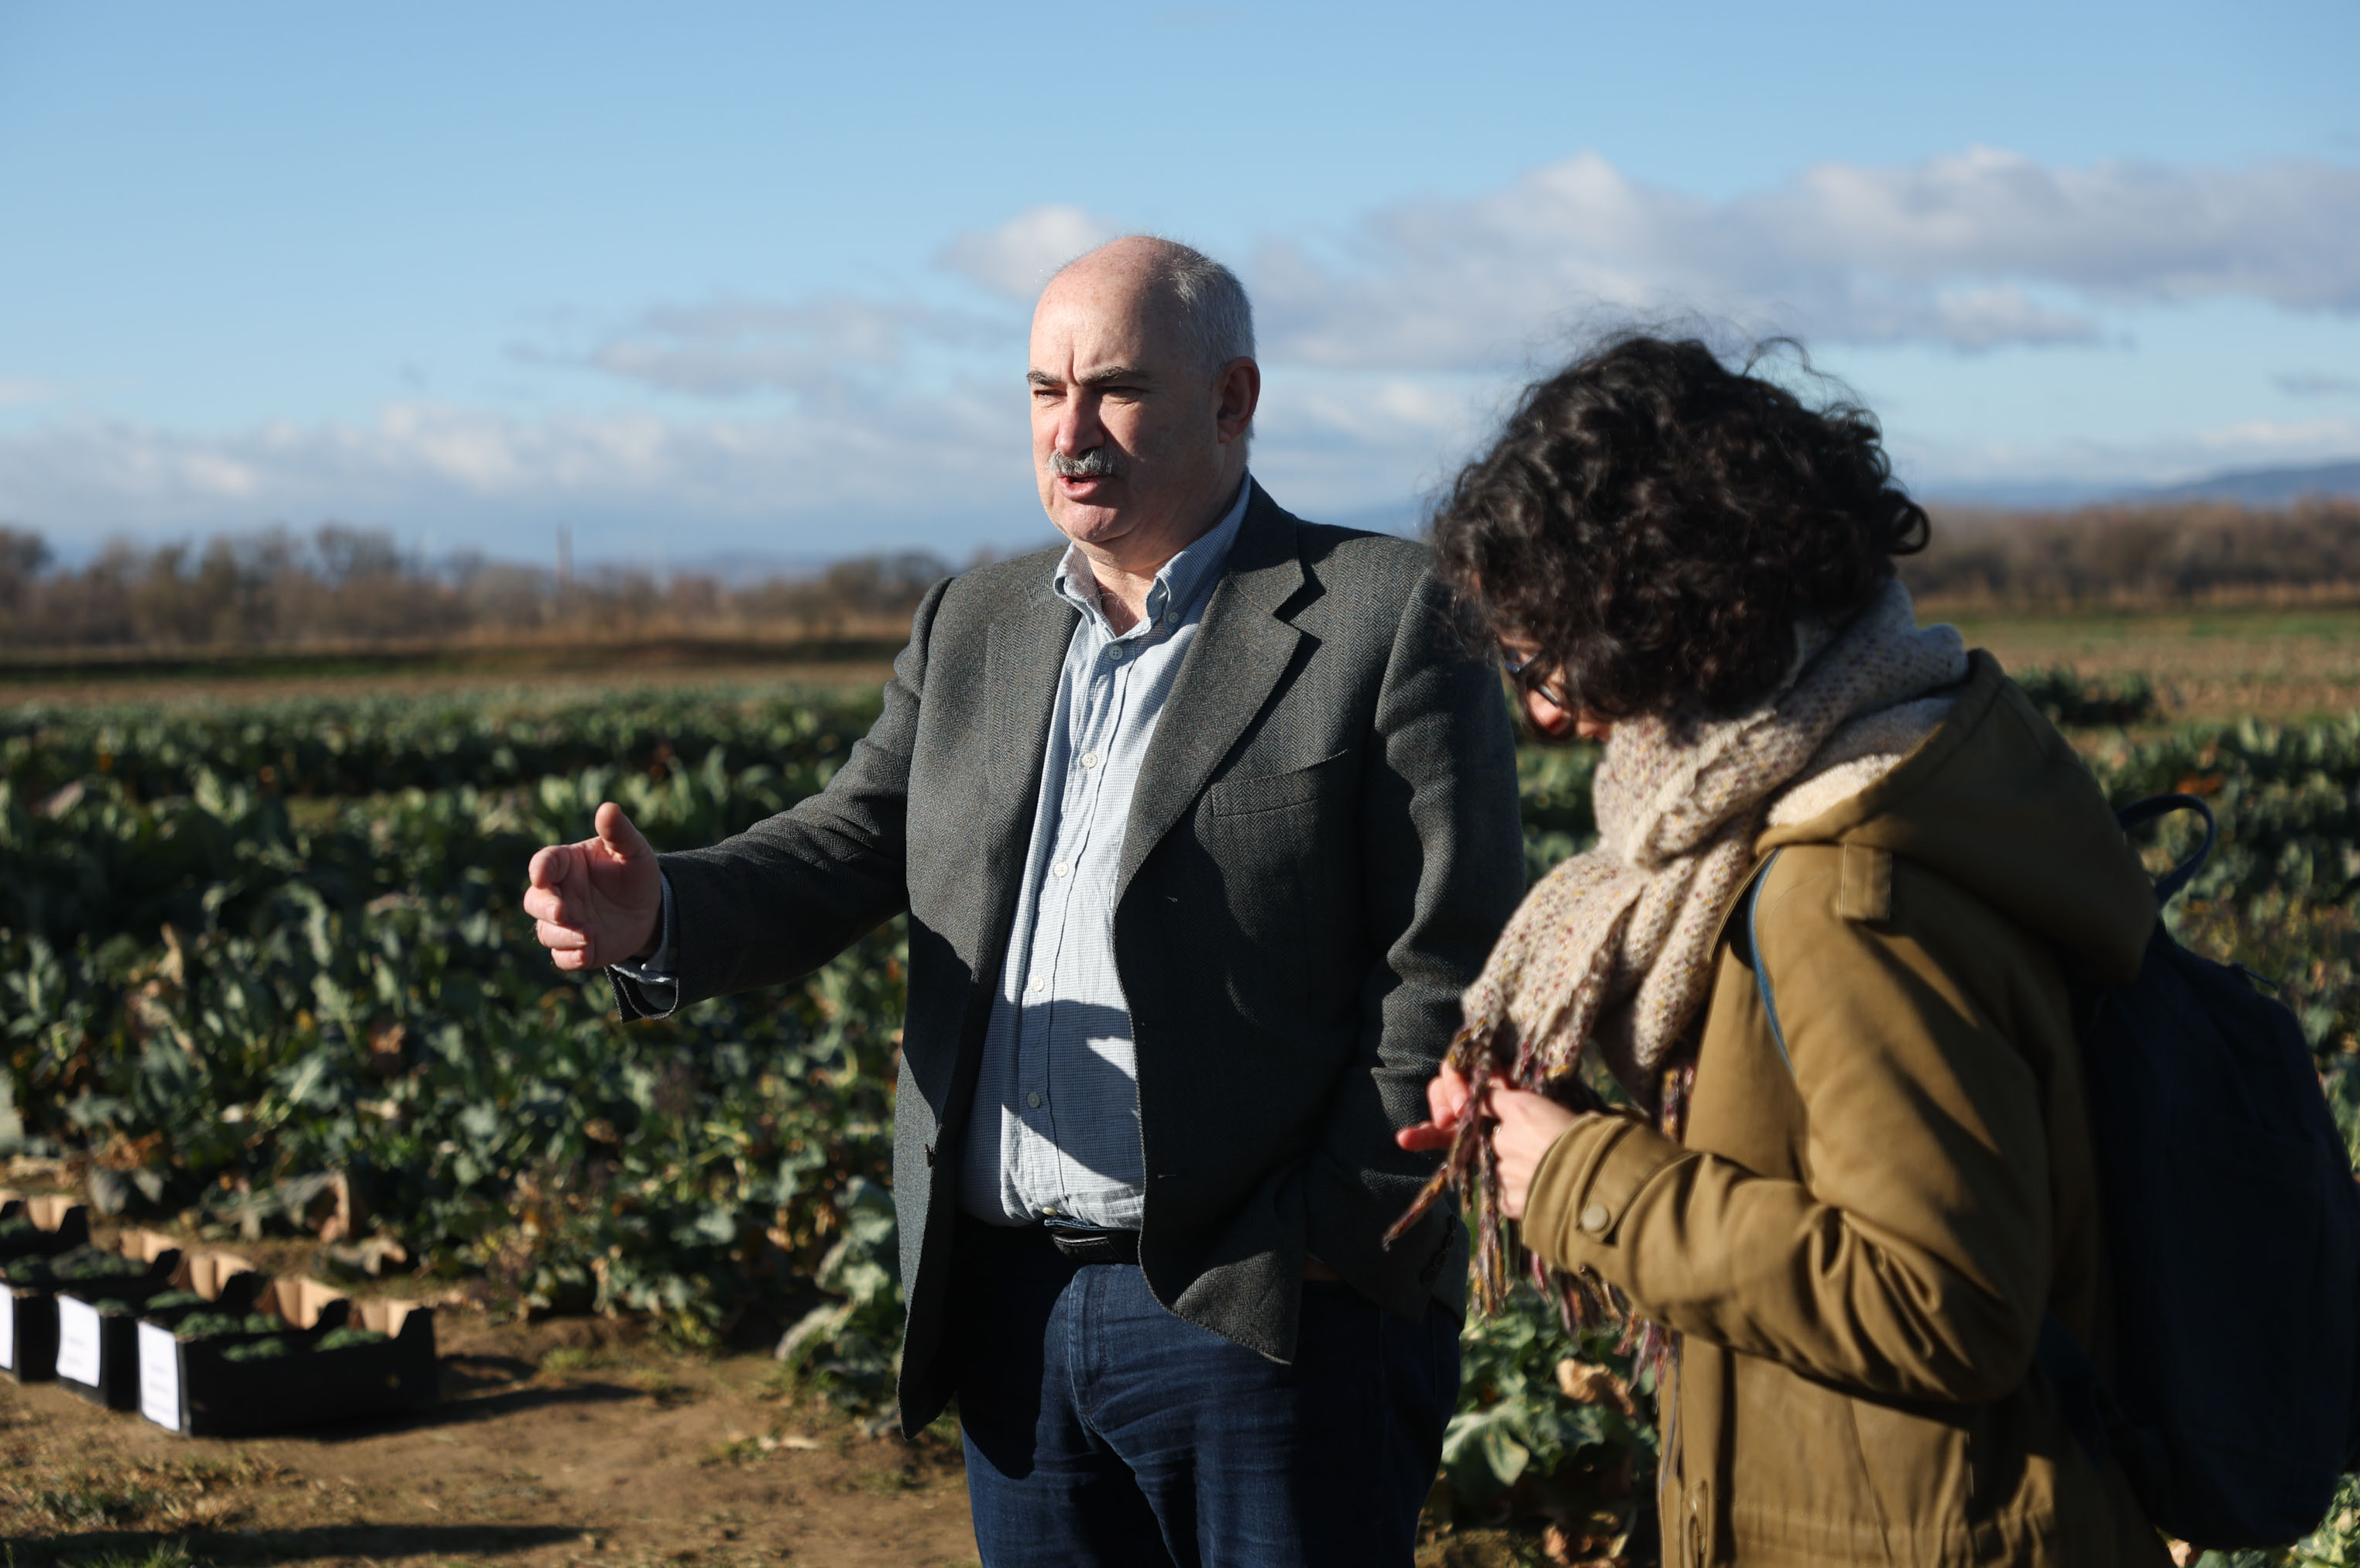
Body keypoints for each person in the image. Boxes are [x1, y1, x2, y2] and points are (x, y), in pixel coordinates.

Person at [522, 236, 1524, 1566]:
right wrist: (661, 915)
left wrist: (1336, 1239)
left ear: (1234, 400)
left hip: (1266, 1312)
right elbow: (845, 843)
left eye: (1115, 388)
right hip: (1012, 1309)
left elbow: (1448, 956)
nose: (1073, 431)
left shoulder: (1380, 614)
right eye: (1045, 391)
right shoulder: (976, 623)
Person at [1400, 335, 2167, 1567]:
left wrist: (1588, 1178)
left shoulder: (1841, 882)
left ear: (1656, 607)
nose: (1539, 709)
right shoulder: (1883, 772)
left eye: (1542, 655)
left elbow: (1945, 1299)